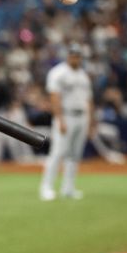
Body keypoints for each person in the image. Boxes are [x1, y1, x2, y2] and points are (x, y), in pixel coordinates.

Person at [39, 44, 96, 200]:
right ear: (67, 55)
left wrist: (91, 122)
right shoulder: (58, 73)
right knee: (57, 152)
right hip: (66, 116)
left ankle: (68, 188)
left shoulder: (83, 75)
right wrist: (60, 119)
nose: (75, 57)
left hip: (82, 117)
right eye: (72, 54)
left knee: (75, 155)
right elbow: (54, 97)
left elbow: (89, 100)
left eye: (78, 55)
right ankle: (46, 187)